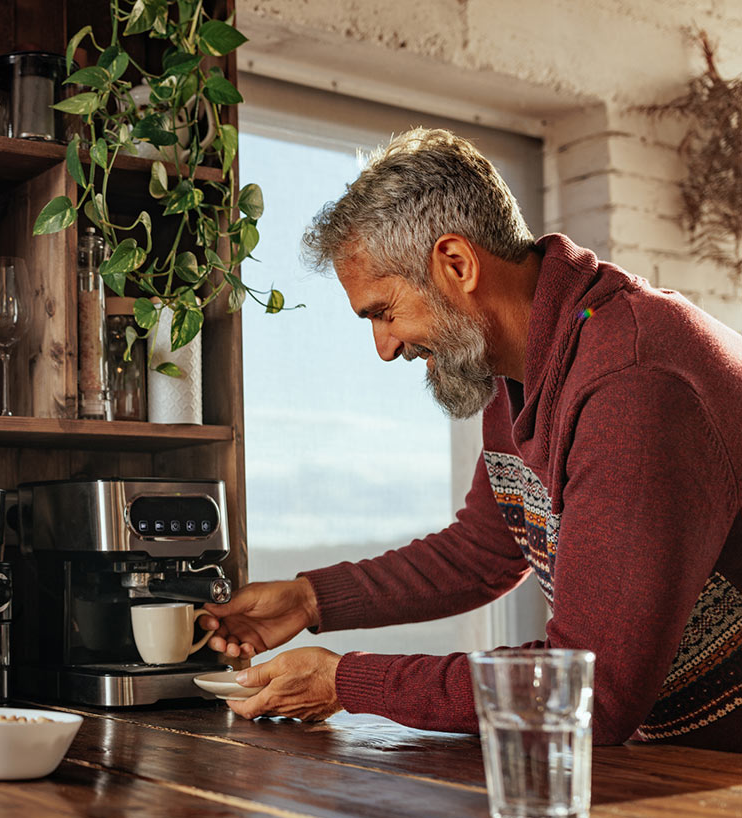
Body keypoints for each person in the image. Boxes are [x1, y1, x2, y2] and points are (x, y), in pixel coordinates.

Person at [200, 128, 742, 751]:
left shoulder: (633, 383)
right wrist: (308, 600)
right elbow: (486, 550)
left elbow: (595, 692)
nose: (384, 348)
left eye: (382, 311)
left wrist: (349, 682)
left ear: (456, 264)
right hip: (680, 771)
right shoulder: (519, 366)